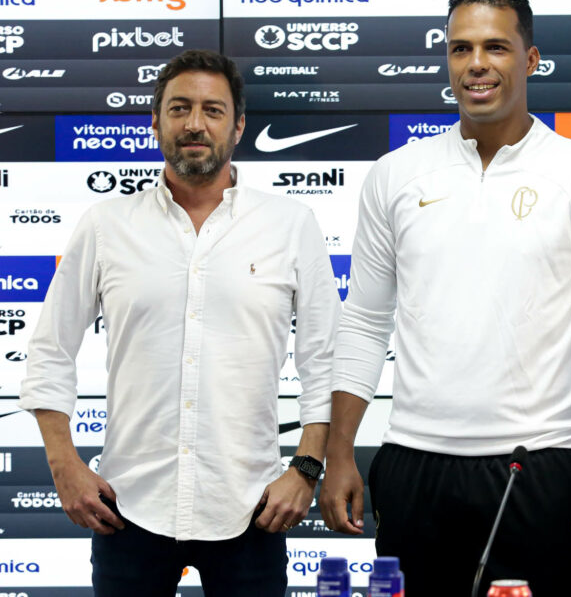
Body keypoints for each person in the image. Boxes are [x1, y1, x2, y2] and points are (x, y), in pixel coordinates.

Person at [319, 0, 571, 596]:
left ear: (530, 59)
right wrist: (339, 452)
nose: (476, 64)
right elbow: (364, 323)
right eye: (460, 48)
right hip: (415, 462)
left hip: (544, 466)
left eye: (496, 47)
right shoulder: (395, 175)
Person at [19, 50, 339, 597]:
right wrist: (64, 464)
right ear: (156, 122)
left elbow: (325, 360)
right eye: (179, 108)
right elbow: (49, 351)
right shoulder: (106, 225)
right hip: (128, 508)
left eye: (213, 110)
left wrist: (305, 470)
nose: (195, 123)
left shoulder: (291, 225)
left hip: (251, 508)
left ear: (238, 125)